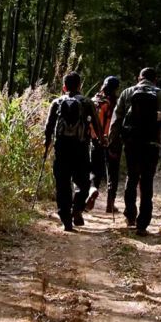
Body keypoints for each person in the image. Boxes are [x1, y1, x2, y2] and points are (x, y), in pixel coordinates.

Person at [109, 67, 161, 236]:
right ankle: (143, 223)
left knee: (132, 177)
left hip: (131, 143)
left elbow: (116, 119)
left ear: (138, 78)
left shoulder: (127, 93)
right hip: (152, 143)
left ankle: (130, 215)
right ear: (155, 80)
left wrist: (113, 141)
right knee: (147, 181)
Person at [43, 71, 104, 232]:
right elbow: (97, 125)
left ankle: (66, 220)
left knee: (62, 184)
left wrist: (47, 144)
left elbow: (48, 127)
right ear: (79, 86)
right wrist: (101, 141)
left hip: (61, 148)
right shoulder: (86, 102)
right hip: (80, 148)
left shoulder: (57, 102)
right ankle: (77, 209)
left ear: (64, 87)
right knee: (83, 182)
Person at [87, 75, 122, 213]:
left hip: (95, 141)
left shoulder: (94, 100)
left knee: (95, 170)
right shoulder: (114, 103)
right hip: (112, 142)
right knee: (112, 173)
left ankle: (92, 189)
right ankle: (110, 203)